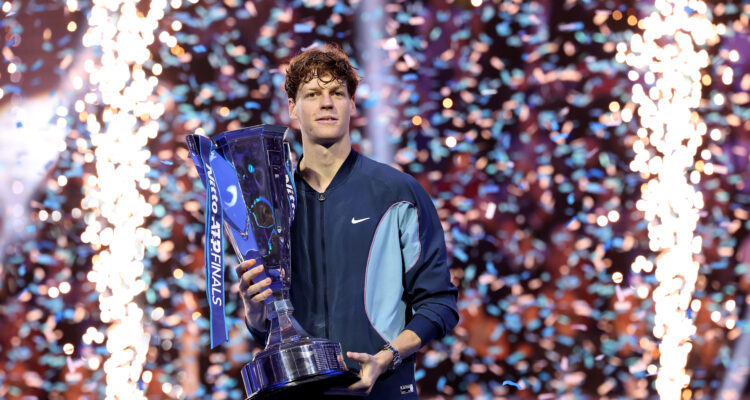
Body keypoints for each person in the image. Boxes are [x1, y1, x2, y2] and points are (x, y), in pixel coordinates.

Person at [235, 44, 458, 399]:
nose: (326, 103)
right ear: (292, 108)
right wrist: (254, 307)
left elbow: (440, 305)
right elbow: (266, 330)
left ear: (352, 104)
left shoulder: (398, 193)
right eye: (312, 94)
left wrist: (387, 358)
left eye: (337, 92)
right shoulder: (270, 209)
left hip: (381, 392)